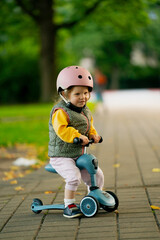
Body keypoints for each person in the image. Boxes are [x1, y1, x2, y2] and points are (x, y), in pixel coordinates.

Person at [48, 66, 104, 218]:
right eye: (77, 94)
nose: (83, 97)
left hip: (78, 155)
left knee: (97, 174)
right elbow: (62, 130)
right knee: (73, 177)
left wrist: (94, 135)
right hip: (61, 156)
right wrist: (76, 136)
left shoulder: (85, 110)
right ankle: (69, 205)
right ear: (65, 94)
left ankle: (94, 198)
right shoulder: (60, 112)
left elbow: (89, 127)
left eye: (86, 93)